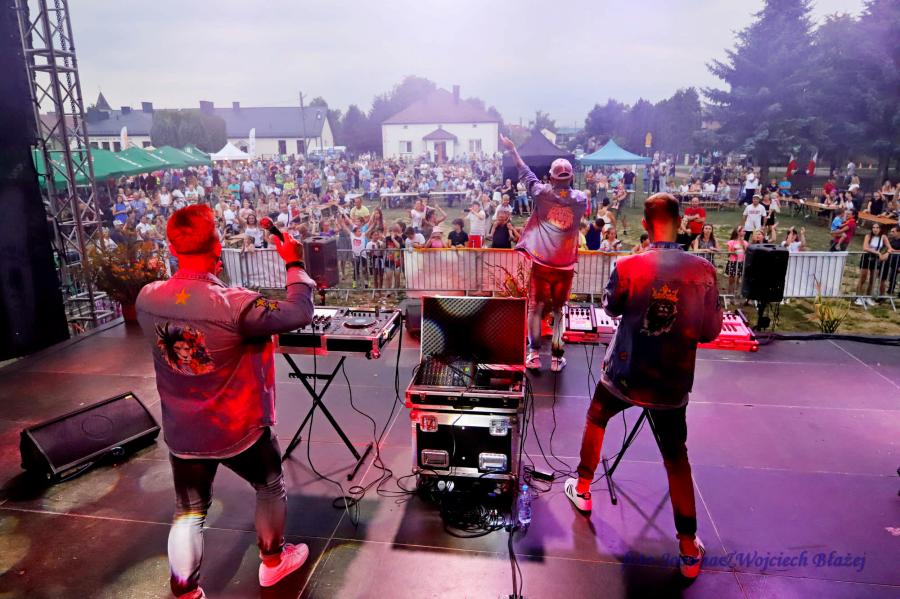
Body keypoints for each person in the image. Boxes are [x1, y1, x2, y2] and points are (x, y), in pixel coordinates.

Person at [136, 205, 315, 599]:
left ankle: (186, 591)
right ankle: (273, 563)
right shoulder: (235, 305)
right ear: (218, 247)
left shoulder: (147, 298)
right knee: (269, 485)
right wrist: (294, 262)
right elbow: (300, 311)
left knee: (188, 512)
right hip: (238, 427)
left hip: (184, 431)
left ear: (172, 248)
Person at [565, 193, 722, 580]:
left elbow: (612, 308)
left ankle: (582, 489)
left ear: (645, 226)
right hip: (671, 382)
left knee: (597, 417)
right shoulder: (703, 271)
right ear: (681, 223)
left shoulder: (628, 265)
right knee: (676, 457)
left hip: (626, 372)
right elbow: (710, 331)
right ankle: (688, 548)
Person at [501, 134, 587, 372]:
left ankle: (534, 355)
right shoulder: (581, 200)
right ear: (571, 177)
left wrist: (513, 150)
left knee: (536, 308)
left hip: (542, 264)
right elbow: (569, 195)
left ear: (550, 177)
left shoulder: (541, 194)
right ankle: (557, 359)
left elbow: (525, 173)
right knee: (559, 311)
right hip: (565, 266)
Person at [855, 223, 890, 306]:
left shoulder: (883, 237)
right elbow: (865, 248)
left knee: (873, 279)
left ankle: (868, 297)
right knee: (863, 278)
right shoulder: (868, 236)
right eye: (873, 227)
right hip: (867, 257)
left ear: (880, 229)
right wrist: (877, 252)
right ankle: (858, 297)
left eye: (877, 227)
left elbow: (889, 247)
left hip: (876, 259)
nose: (875, 229)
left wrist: (887, 253)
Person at [725, 227, 747, 296]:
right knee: (731, 278)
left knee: (738, 278)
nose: (745, 232)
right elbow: (728, 253)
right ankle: (729, 292)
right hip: (733, 261)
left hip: (741, 262)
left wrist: (742, 244)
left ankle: (736, 292)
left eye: (745, 231)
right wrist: (734, 251)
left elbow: (746, 252)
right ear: (738, 232)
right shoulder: (731, 242)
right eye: (743, 231)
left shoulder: (745, 242)